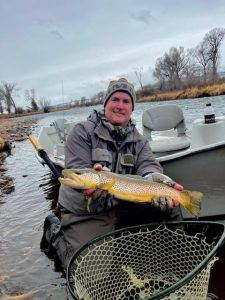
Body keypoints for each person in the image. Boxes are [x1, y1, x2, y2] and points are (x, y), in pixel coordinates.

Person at [40, 78, 183, 270]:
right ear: (105, 103)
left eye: (126, 101)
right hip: (87, 212)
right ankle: (54, 232)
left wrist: (156, 177)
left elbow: (148, 165)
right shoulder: (82, 132)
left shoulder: (139, 141)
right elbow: (77, 170)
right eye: (115, 99)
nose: (120, 106)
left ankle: (175, 257)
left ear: (132, 108)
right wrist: (96, 182)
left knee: (170, 204)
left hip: (123, 204)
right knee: (88, 275)